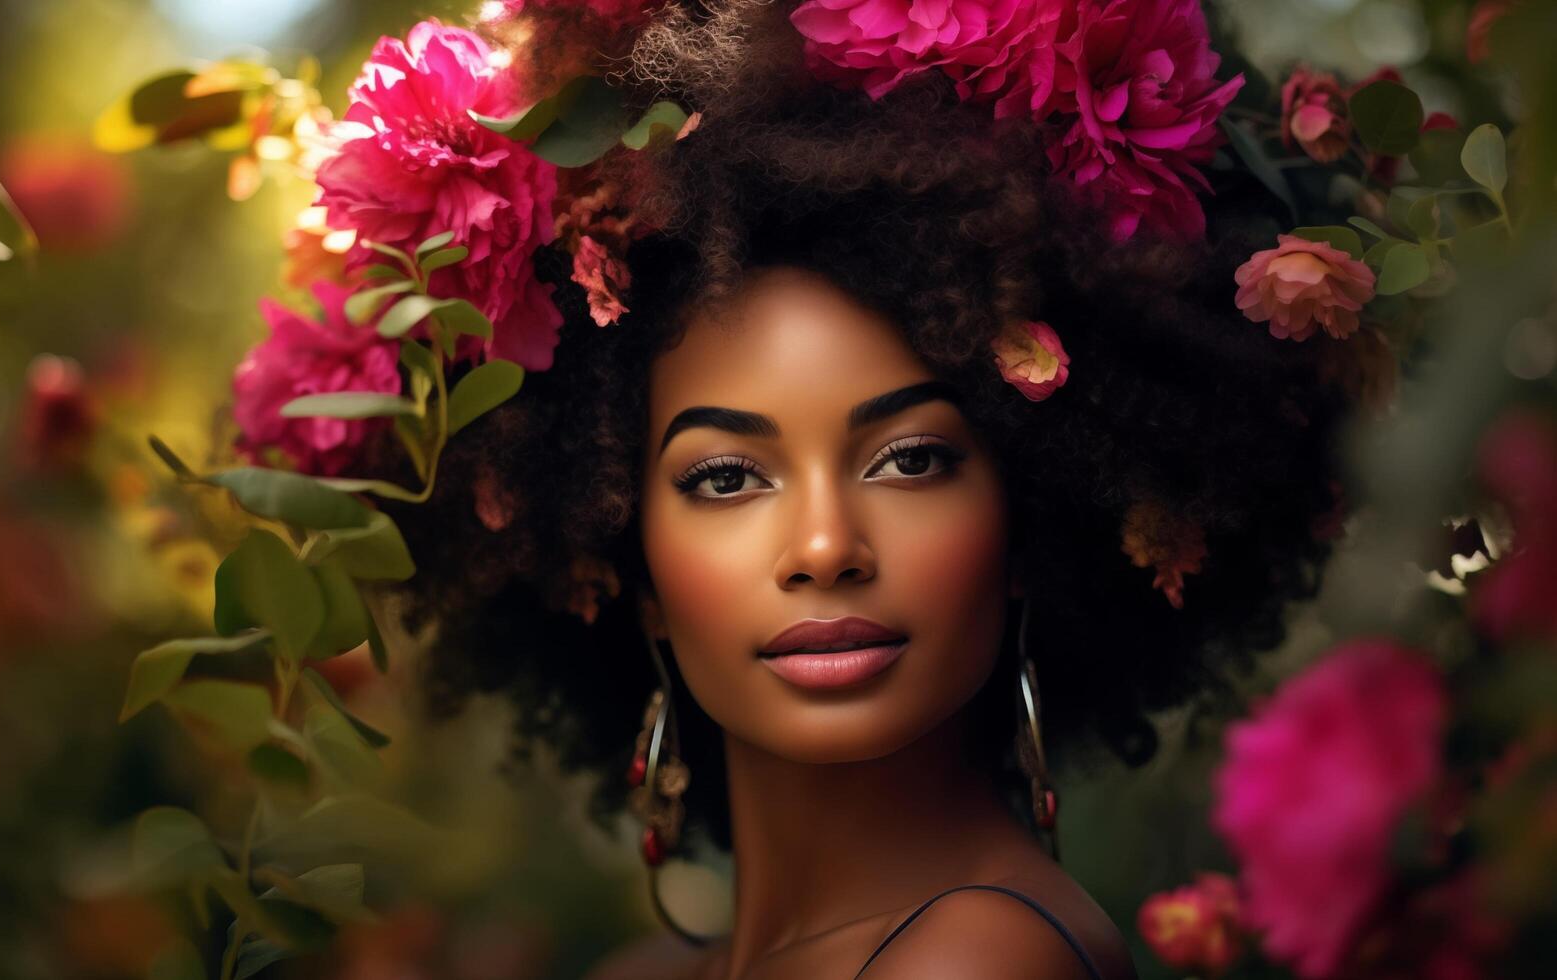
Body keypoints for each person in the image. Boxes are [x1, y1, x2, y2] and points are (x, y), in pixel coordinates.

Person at [370, 1, 1350, 976]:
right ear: (635, 567)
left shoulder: (979, 960)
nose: (827, 545)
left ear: (1028, 522)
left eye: (911, 459)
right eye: (725, 477)